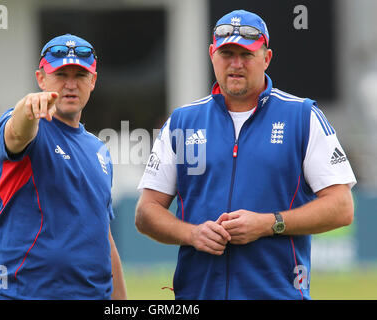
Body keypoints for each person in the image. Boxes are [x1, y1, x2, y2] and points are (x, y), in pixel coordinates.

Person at [135, 10, 356, 300]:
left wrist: (269, 224)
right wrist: (192, 234)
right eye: (227, 53)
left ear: (267, 58)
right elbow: (146, 212)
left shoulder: (302, 116)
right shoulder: (182, 121)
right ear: (212, 55)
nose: (235, 64)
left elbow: (341, 207)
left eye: (246, 54)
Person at [0, 34, 127, 300]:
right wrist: (27, 108)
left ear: (93, 81)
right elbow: (16, 133)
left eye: (80, 75)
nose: (70, 84)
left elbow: (103, 237)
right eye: (61, 74)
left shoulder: (99, 150)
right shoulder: (31, 127)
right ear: (41, 79)